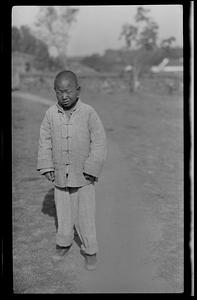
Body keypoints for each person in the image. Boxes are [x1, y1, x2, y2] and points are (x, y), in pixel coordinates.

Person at [37, 70, 107, 270]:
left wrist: (92, 168)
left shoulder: (88, 113)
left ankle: (90, 250)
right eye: (59, 92)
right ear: (54, 92)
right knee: (64, 213)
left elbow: (100, 142)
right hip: (60, 176)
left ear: (78, 90)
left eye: (68, 91)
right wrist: (46, 166)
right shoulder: (50, 114)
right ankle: (63, 243)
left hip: (84, 176)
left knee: (85, 215)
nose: (64, 96)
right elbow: (45, 141)